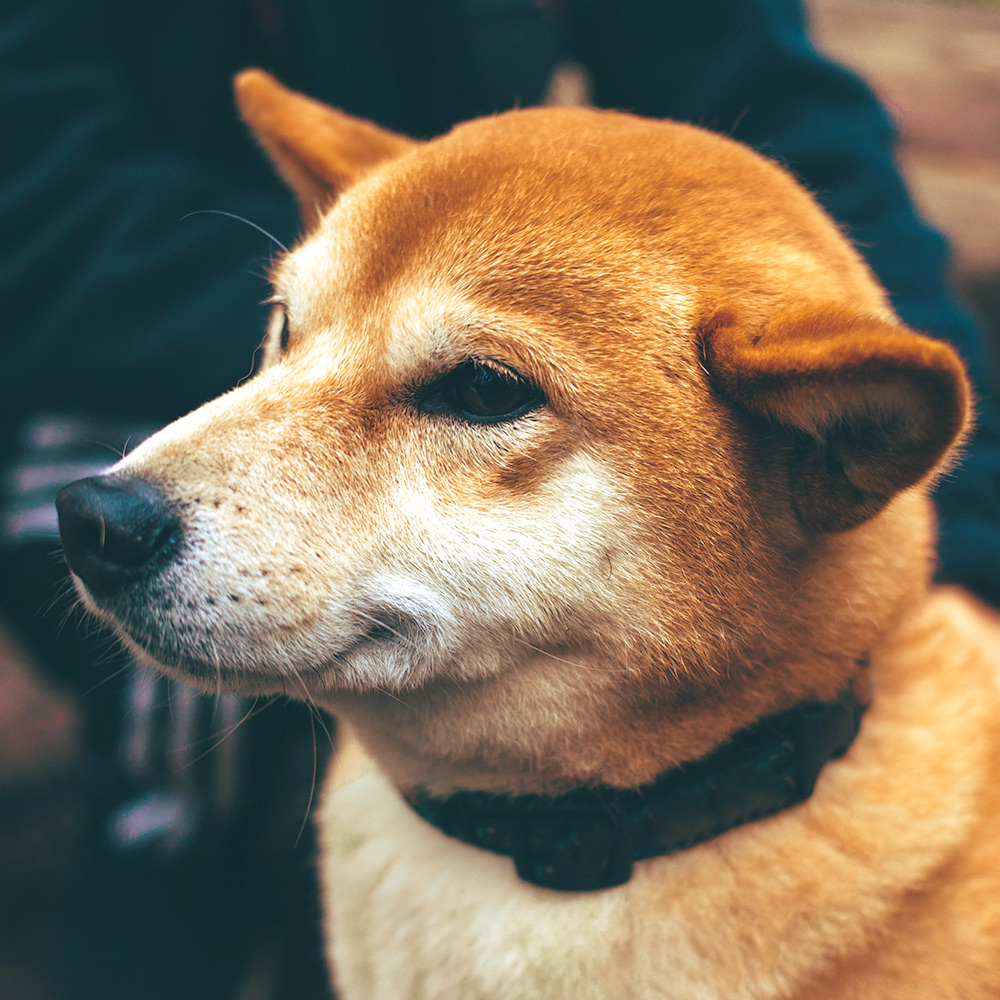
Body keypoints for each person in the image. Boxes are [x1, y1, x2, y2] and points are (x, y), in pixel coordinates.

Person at [2, 2, 997, 998]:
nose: (139, 505)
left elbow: (765, 92)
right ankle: (167, 842)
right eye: (287, 322)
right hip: (92, 355)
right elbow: (33, 188)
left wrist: (979, 523)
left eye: (481, 391)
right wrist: (409, 253)